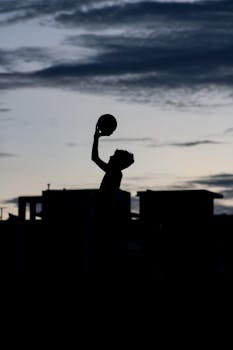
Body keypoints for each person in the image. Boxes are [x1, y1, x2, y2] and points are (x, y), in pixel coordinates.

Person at [91, 125, 134, 191]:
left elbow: (95, 158)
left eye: (113, 156)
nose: (110, 156)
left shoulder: (114, 172)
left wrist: (96, 138)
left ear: (118, 161)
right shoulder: (115, 172)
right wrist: (96, 138)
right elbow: (94, 158)